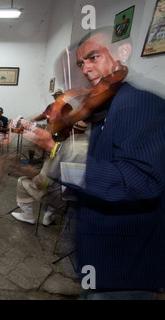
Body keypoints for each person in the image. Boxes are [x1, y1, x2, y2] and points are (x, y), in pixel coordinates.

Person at [19, 27, 165, 299]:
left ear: (123, 52)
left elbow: (136, 181)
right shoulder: (108, 104)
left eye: (93, 57)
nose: (85, 68)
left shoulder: (139, 103)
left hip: (125, 260)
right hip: (99, 252)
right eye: (81, 62)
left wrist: (54, 149)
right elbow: (99, 169)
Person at [11, 121, 88, 226]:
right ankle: (48, 216)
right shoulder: (92, 144)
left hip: (59, 195)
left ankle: (27, 215)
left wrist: (30, 173)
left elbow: (46, 177)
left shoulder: (63, 146)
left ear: (71, 130)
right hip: (78, 195)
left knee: (22, 181)